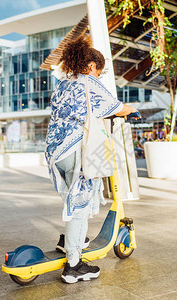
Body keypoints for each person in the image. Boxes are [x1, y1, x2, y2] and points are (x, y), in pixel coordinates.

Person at [44, 36, 137, 284]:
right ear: (91, 66)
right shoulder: (88, 82)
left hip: (55, 151)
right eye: (100, 70)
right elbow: (116, 107)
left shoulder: (63, 83)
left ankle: (73, 240)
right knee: (81, 204)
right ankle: (73, 265)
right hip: (76, 149)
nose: (99, 74)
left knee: (73, 199)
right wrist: (133, 109)